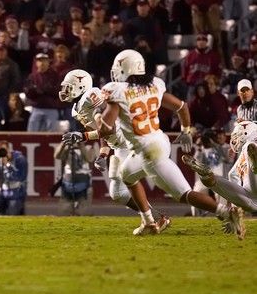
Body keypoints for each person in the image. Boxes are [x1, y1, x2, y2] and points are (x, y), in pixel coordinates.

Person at [63, 49, 245, 238]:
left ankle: (160, 219)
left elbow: (107, 129)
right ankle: (154, 220)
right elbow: (181, 106)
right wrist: (185, 131)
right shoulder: (154, 84)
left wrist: (90, 127)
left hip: (146, 150)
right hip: (159, 140)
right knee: (135, 177)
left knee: (178, 193)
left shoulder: (117, 92)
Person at [58, 69, 166, 231]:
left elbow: (108, 126)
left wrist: (82, 136)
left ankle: (153, 219)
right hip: (118, 145)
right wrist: (103, 152)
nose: (65, 91)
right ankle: (156, 217)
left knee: (138, 180)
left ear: (81, 86)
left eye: (69, 87)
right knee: (118, 193)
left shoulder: (91, 96)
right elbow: (103, 132)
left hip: (128, 141)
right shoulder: (77, 109)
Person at [183, 122, 257, 224]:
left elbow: (231, 169)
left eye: (237, 136)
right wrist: (200, 148)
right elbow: (232, 175)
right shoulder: (245, 150)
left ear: (246, 134)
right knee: (249, 202)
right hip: (251, 192)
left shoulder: (228, 148)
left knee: (247, 202)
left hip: (249, 192)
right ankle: (208, 178)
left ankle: (208, 177)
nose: (235, 140)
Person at [0, 141, 27, 215]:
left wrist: (7, 164)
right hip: (4, 194)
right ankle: (1, 213)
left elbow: (19, 177)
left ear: (9, 150)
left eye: (3, 150)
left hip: (17, 194)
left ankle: (18, 211)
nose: (1, 153)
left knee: (12, 211)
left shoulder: (19, 159)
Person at [54, 141, 95, 216]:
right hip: (68, 183)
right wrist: (63, 144)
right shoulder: (67, 149)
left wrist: (81, 145)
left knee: (85, 212)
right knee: (64, 212)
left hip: (84, 185)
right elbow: (57, 156)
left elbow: (90, 159)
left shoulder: (89, 148)